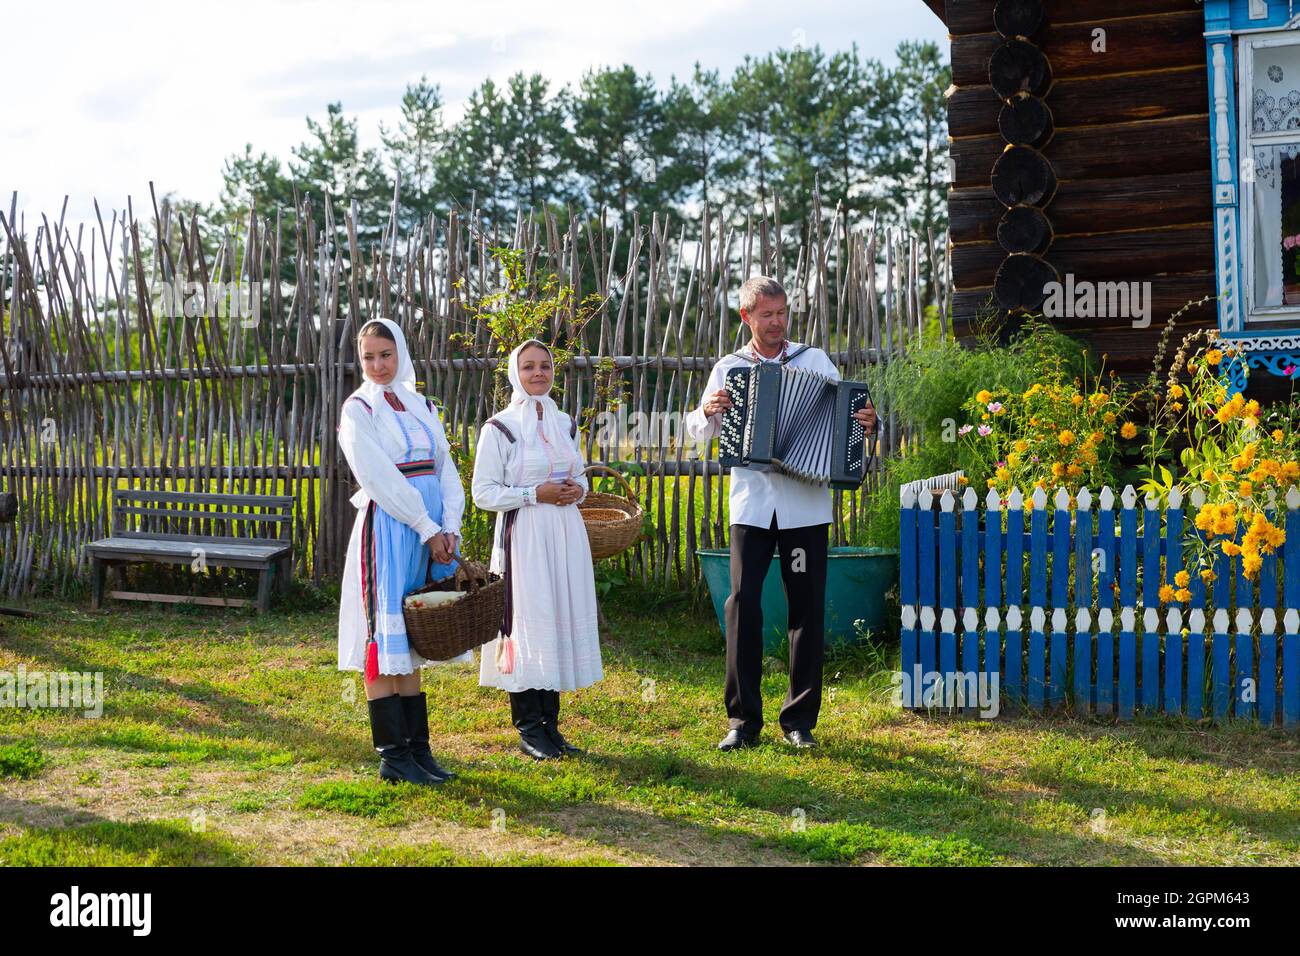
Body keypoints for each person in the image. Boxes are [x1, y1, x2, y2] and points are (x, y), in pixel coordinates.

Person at [685, 276, 877, 751]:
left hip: (805, 508)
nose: (776, 322)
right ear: (746, 317)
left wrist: (867, 424)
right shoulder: (729, 368)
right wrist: (707, 410)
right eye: (767, 314)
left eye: (782, 312)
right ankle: (742, 721)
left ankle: (798, 722)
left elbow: (849, 417)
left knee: (806, 609)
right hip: (751, 508)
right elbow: (698, 432)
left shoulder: (813, 361)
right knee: (742, 605)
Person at [337, 317, 468, 786]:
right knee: (384, 633)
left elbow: (446, 468)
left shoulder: (422, 405)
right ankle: (392, 756)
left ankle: (418, 751)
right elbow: (379, 477)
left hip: (430, 527)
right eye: (368, 357)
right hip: (391, 529)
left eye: (385, 354)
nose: (377, 365)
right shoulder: (359, 411)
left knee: (413, 633)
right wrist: (425, 526)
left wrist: (449, 525)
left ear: (401, 353)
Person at [471, 339, 603, 760]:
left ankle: (551, 727)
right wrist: (535, 493)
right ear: (516, 373)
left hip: (564, 534)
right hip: (524, 535)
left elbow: (580, 477)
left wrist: (575, 490)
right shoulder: (501, 428)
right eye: (528, 367)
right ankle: (529, 728)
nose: (538, 374)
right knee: (528, 621)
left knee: (556, 617)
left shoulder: (565, 423)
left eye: (544, 366)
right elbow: (483, 493)